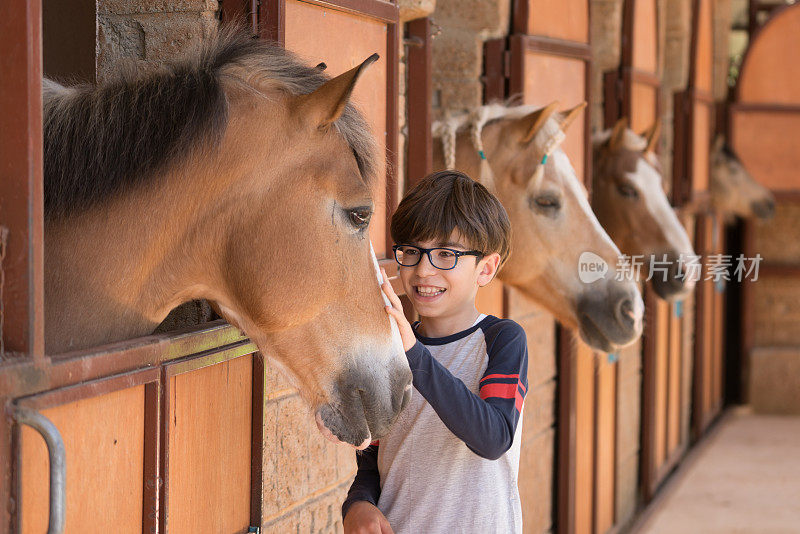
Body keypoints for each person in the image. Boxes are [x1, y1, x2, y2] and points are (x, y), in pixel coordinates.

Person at [342, 170, 529, 534]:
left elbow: (493, 438)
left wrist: (413, 354)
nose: (423, 270)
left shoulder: (502, 340)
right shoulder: (389, 351)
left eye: (445, 254)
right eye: (411, 251)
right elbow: (370, 463)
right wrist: (358, 505)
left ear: (485, 268)